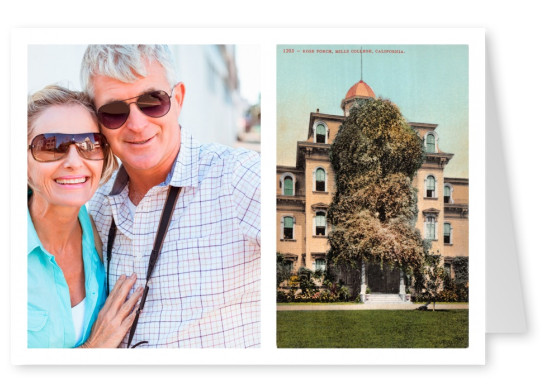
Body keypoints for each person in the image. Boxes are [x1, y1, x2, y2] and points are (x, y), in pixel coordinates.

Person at [81, 45, 261, 348]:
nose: (137, 125)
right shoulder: (96, 207)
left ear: (177, 99)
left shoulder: (237, 177)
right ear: (98, 123)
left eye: (152, 101)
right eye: (114, 112)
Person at [27, 85, 143, 348]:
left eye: (89, 145)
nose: (74, 161)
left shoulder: (101, 234)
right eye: (51, 145)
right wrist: (93, 349)